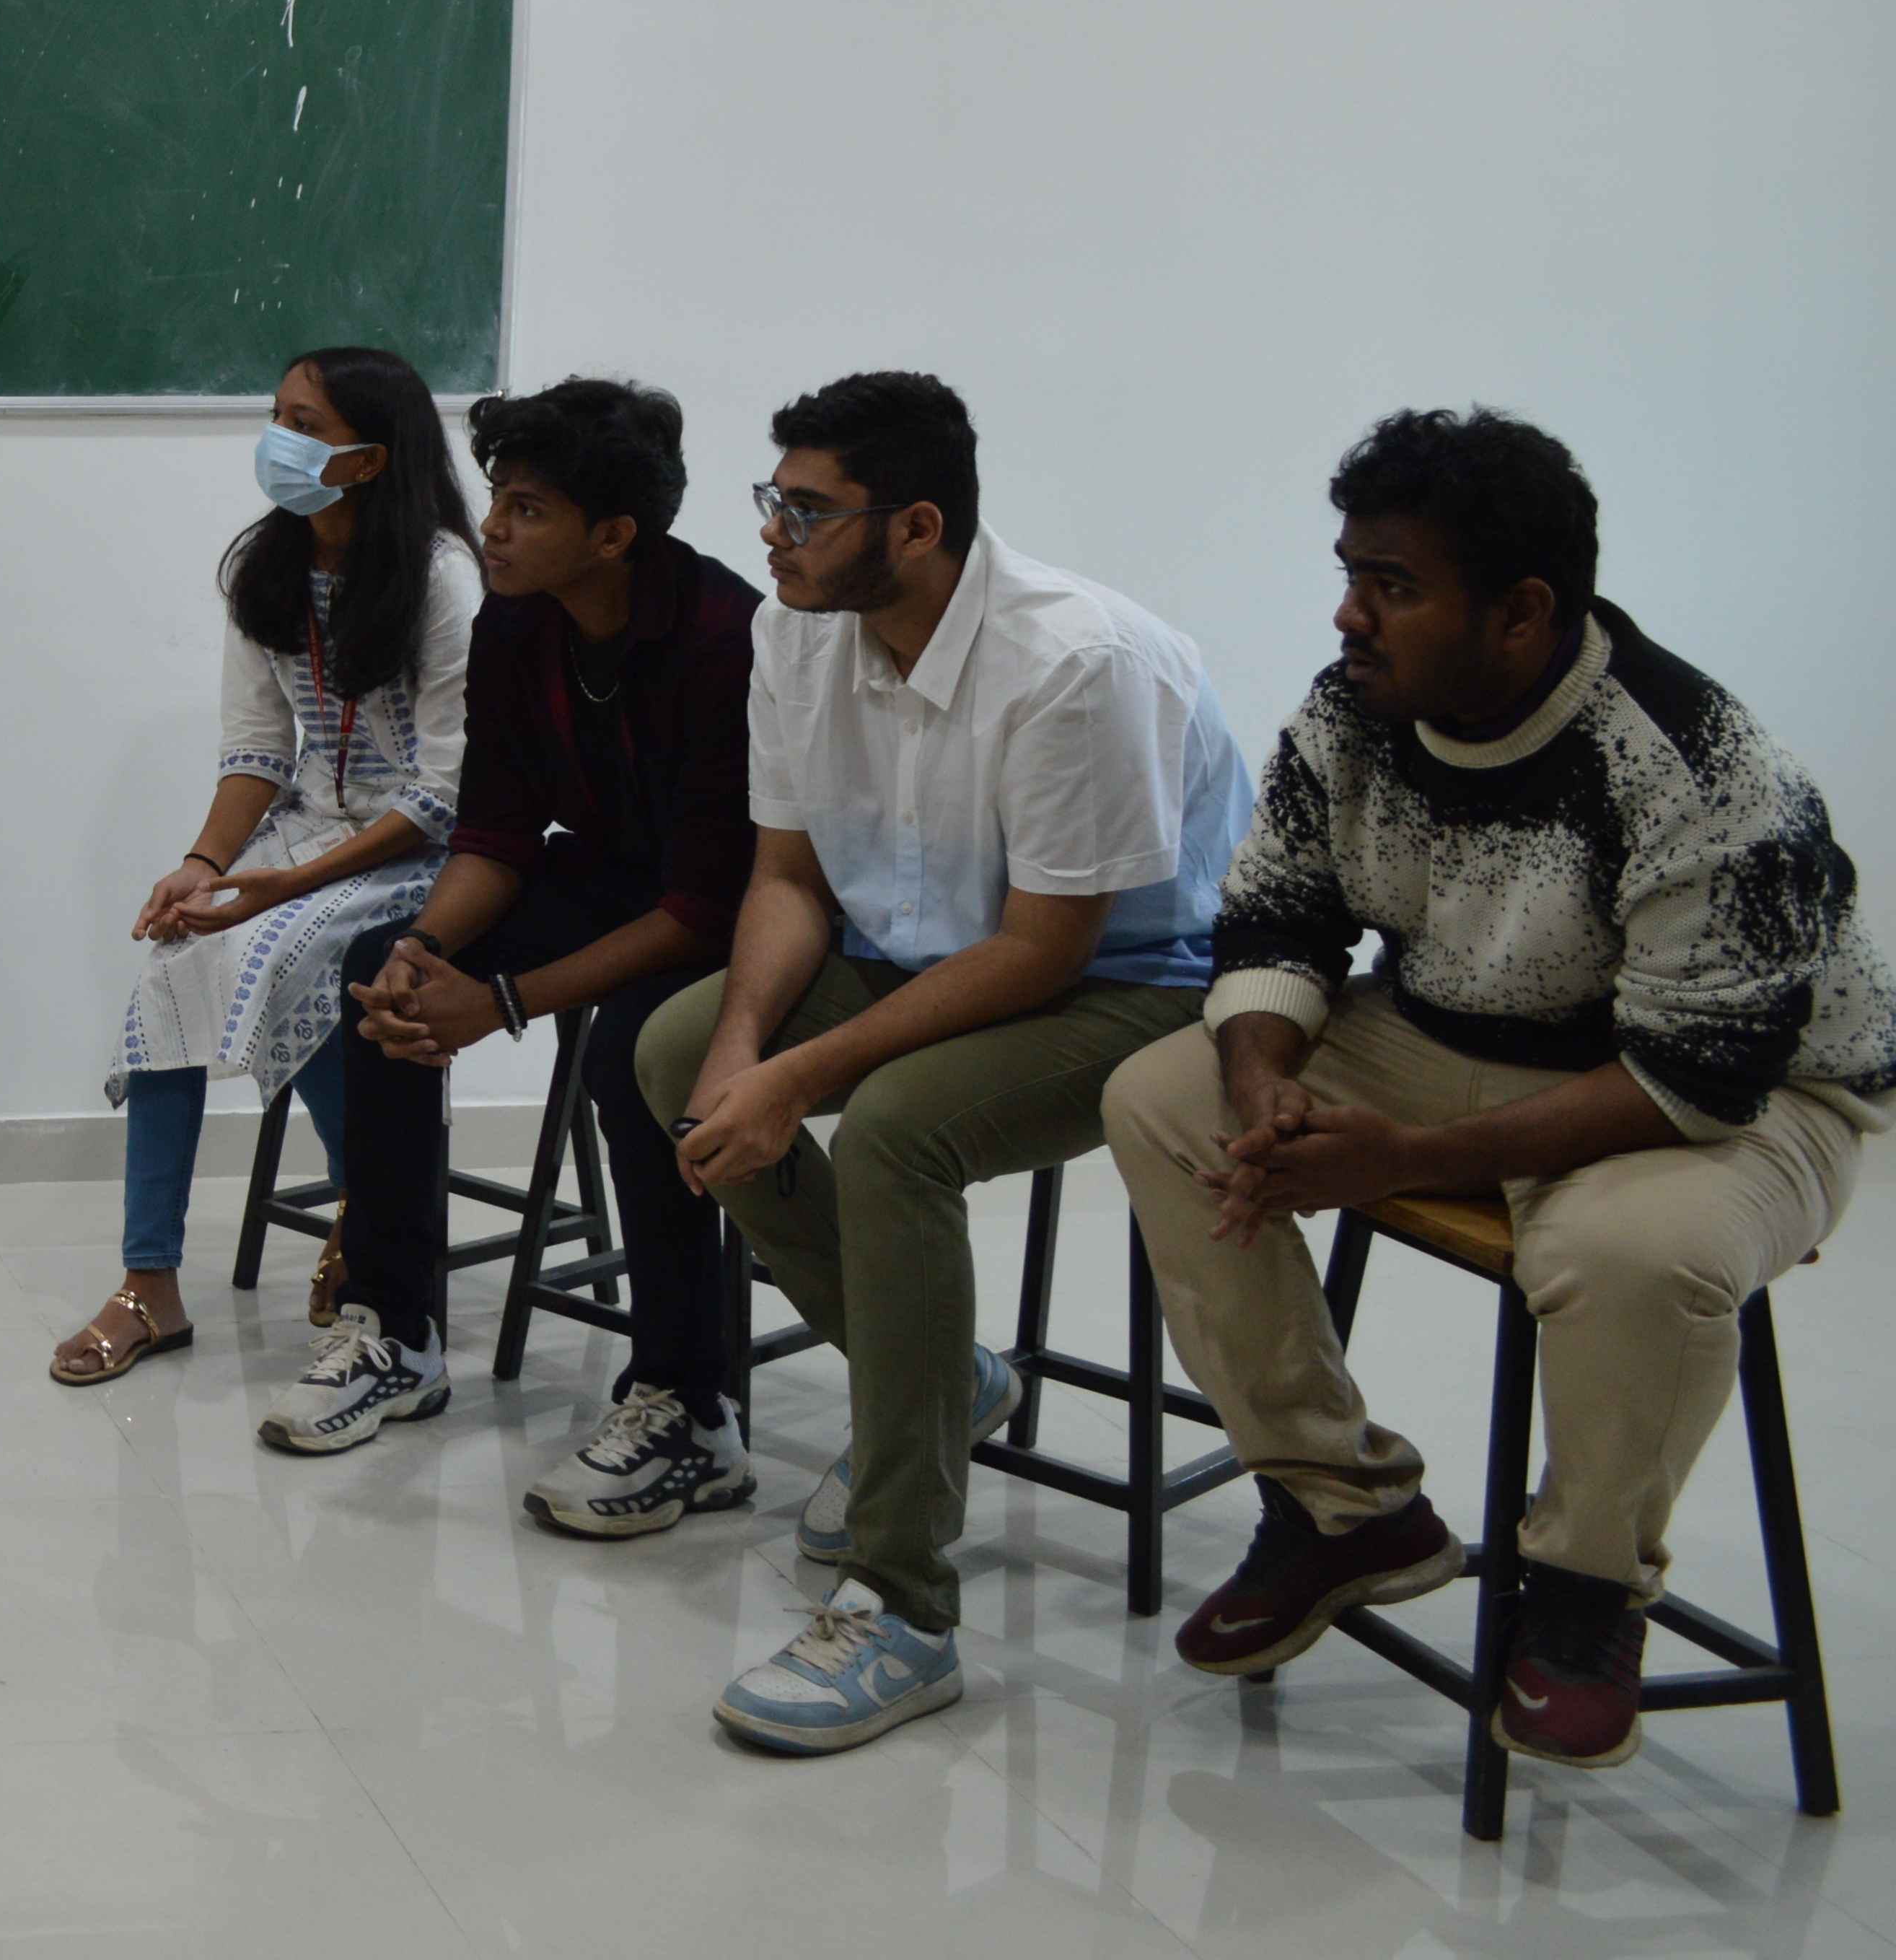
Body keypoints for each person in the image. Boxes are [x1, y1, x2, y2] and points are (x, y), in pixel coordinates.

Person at [1104, 411, 1890, 1767]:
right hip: (1454, 1033)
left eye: (1392, 585)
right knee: (1163, 1099)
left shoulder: (1699, 767)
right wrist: (1267, 1078)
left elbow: (1697, 1074)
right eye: (1351, 574)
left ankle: (1584, 1592)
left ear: (1521, 614)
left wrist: (1400, 1158)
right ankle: (1344, 1506)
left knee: (1631, 1252)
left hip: (1740, 1096)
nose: (1349, 615)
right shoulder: (1353, 709)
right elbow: (1278, 918)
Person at [631, 370, 1247, 1756]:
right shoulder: (797, 632)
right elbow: (790, 877)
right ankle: (934, 1379)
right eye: (773, 500)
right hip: (929, 950)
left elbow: (1042, 951)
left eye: (808, 510)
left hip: (1136, 985)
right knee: (675, 1052)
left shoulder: (1074, 661)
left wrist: (797, 1080)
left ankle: (903, 1608)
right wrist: (740, 1049)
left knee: (895, 1131)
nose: (773, 533)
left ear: (917, 527)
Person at [273, 379, 763, 1505]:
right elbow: (495, 834)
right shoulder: (518, 619)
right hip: (607, 879)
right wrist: (427, 950)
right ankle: (397, 1333)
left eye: (527, 509)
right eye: (497, 498)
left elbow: (701, 907)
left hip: (733, 917)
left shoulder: (722, 638)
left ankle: (691, 1407)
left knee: (635, 1054)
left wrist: (499, 1004)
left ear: (613, 535)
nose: (490, 527)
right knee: (380, 972)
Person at [50, 346, 475, 1386]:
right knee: (176, 959)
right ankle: (148, 1282)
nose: (278, 441)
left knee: (299, 956)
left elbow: (445, 791)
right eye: (277, 415)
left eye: (306, 425)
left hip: (424, 851)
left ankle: (368, 1230)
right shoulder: (264, 567)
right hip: (306, 832)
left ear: (372, 459)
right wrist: (204, 865)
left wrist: (285, 888)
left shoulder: (443, 579)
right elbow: (255, 751)